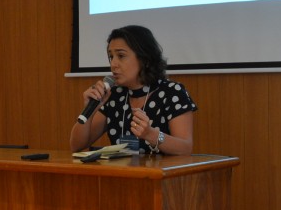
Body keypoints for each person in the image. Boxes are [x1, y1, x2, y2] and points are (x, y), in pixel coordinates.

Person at [70, 25, 197, 155]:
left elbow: (185, 148)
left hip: (162, 173)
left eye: (121, 56)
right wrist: (90, 110)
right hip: (126, 173)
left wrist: (150, 134)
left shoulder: (172, 92)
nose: (113, 64)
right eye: (111, 57)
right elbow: (76, 146)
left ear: (145, 59)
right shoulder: (114, 95)